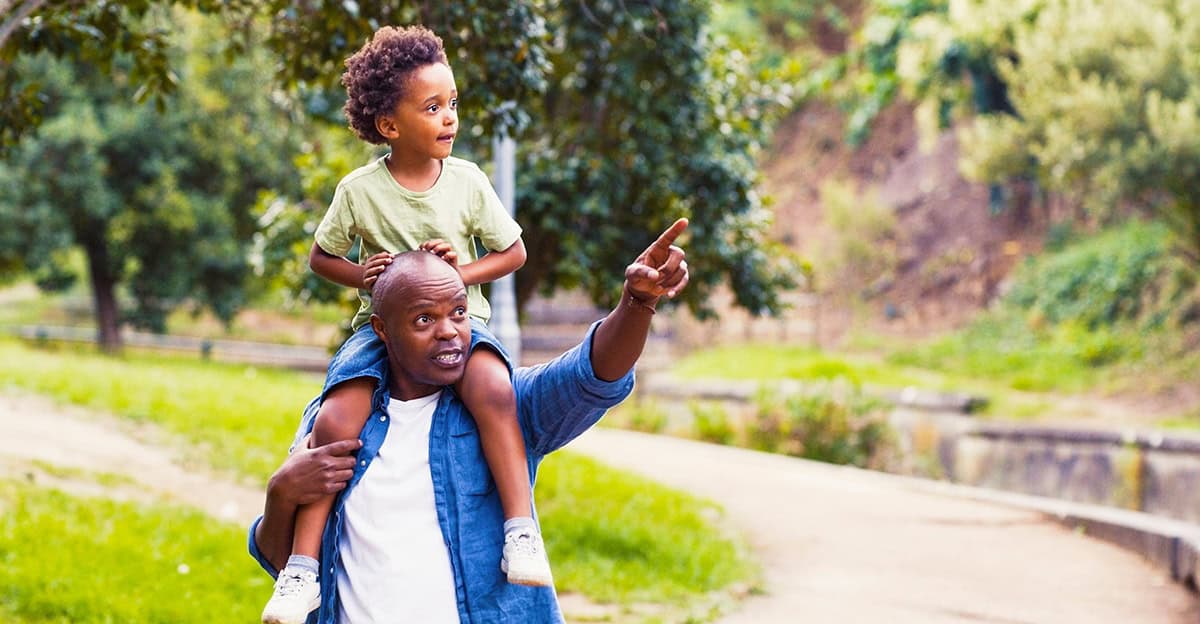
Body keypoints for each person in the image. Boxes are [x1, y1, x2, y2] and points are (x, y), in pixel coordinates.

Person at [249, 219, 690, 623]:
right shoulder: (337, 417)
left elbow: (591, 376)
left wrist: (636, 303)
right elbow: (282, 563)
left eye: (458, 313)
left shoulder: (501, 408)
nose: (448, 331)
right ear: (382, 330)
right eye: (424, 318)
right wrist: (281, 492)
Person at [260, 25, 537, 624]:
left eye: (453, 104)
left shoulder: (467, 182)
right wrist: (362, 275)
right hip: (379, 332)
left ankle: (522, 531)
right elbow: (321, 257)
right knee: (334, 419)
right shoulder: (359, 191)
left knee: (494, 390)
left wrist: (463, 272)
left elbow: (512, 252)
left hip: (463, 326)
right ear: (390, 125)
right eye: (433, 107)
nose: (450, 118)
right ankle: (301, 573)